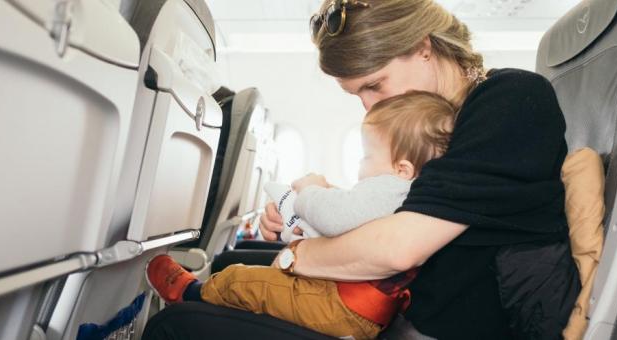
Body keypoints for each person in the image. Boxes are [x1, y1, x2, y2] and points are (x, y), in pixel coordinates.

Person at [257, 0, 580, 339]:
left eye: (374, 84)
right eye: (356, 94)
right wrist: (301, 216)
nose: (368, 107)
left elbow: (399, 247)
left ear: (423, 48)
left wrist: (296, 255)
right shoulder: (424, 125)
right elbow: (407, 208)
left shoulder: (511, 100)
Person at [146, 91, 457, 340]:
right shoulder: (408, 191)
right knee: (263, 284)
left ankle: (192, 293)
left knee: (244, 279)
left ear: (401, 168)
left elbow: (335, 217)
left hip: (340, 306)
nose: (361, 166)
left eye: (366, 156)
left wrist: (310, 190)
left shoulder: (391, 187)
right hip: (353, 308)